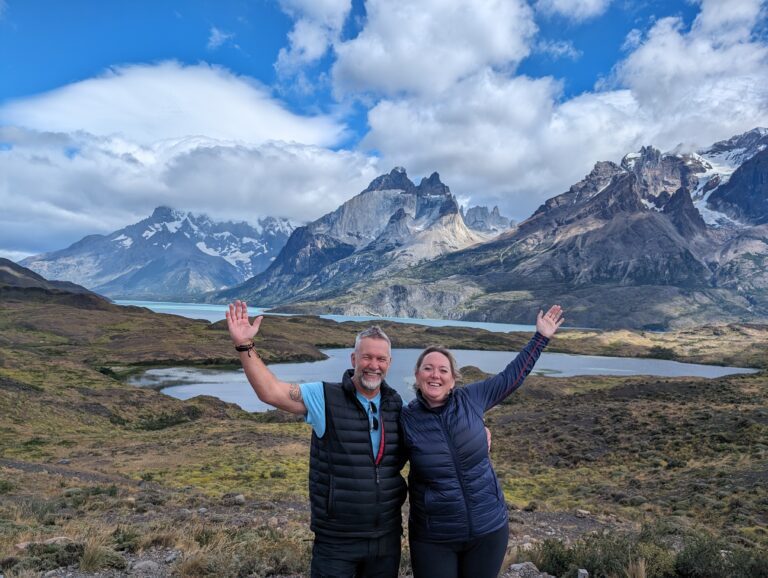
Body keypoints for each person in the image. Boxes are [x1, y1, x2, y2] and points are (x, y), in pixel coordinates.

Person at [225, 300, 407, 578]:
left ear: (389, 363)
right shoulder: (325, 397)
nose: (374, 365)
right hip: (337, 540)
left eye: (381, 359)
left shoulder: (396, 405)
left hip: (386, 538)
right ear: (354, 359)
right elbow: (271, 392)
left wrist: (479, 430)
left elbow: (434, 431)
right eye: (367, 357)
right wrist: (245, 346)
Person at [401, 305, 565, 578]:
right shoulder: (406, 419)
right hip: (434, 537)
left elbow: (511, 377)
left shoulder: (472, 399)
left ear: (453, 379)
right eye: (428, 369)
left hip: (488, 529)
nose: (435, 375)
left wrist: (540, 337)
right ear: (417, 377)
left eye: (443, 370)